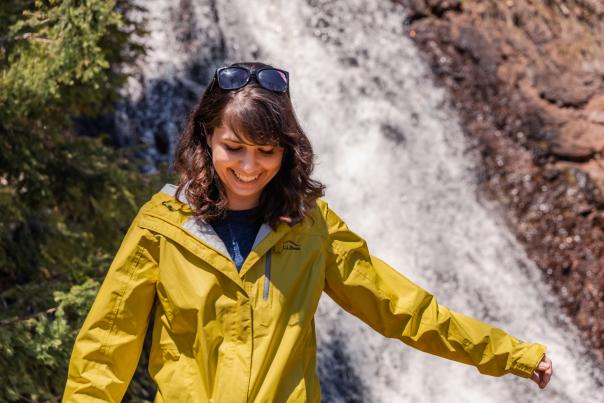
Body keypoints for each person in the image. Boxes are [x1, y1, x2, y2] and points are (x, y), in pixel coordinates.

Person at [62, 61, 553, 402]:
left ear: (286, 152)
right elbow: (107, 346)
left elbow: (403, 310)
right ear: (206, 138)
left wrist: (512, 354)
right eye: (234, 147)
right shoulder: (161, 225)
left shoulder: (311, 227)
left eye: (266, 151)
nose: (249, 166)